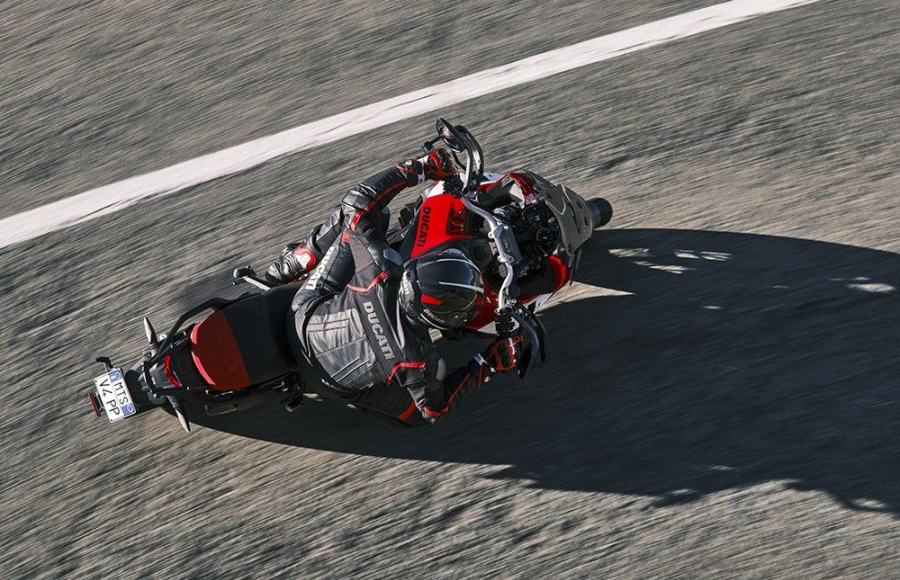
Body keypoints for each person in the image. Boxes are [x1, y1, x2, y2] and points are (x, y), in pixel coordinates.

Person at [267, 148, 521, 426]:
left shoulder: (381, 274)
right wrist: (488, 364)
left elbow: (357, 202)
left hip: (302, 316)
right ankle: (301, 258)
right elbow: (432, 410)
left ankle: (299, 259)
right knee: (415, 417)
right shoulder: (417, 359)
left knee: (365, 217)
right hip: (329, 384)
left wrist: (420, 168)